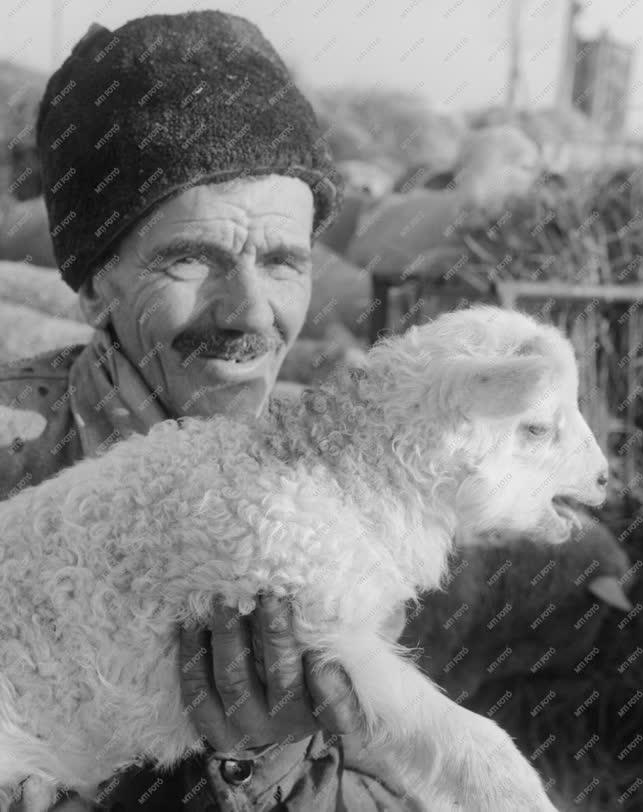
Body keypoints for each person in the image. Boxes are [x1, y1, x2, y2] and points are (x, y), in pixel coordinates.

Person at [0, 10, 416, 812]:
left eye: (284, 261)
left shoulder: (333, 504)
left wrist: (271, 771)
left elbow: (405, 787)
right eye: (192, 258)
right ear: (93, 284)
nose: (252, 313)